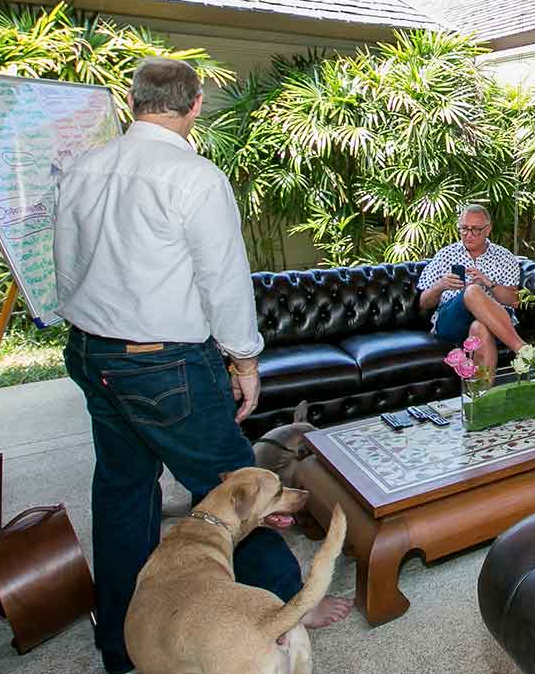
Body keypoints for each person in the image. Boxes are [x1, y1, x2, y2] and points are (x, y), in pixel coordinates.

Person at [54, 58, 350, 674]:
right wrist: (245, 359)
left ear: (133, 102)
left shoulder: (81, 167)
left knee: (121, 493)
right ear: (193, 108)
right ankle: (285, 609)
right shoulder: (194, 176)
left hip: (92, 351)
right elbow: (223, 282)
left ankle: (123, 643)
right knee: (240, 487)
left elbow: (68, 261)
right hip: (164, 364)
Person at [417, 203, 526, 372]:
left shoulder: (505, 257)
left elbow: (515, 301)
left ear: (488, 230)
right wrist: (440, 286)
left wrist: (488, 284)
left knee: (479, 328)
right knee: (472, 291)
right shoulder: (446, 255)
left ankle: (480, 396)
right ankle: (522, 349)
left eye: (475, 229)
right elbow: (423, 303)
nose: (468, 235)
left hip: (495, 324)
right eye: (464, 229)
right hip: (452, 322)